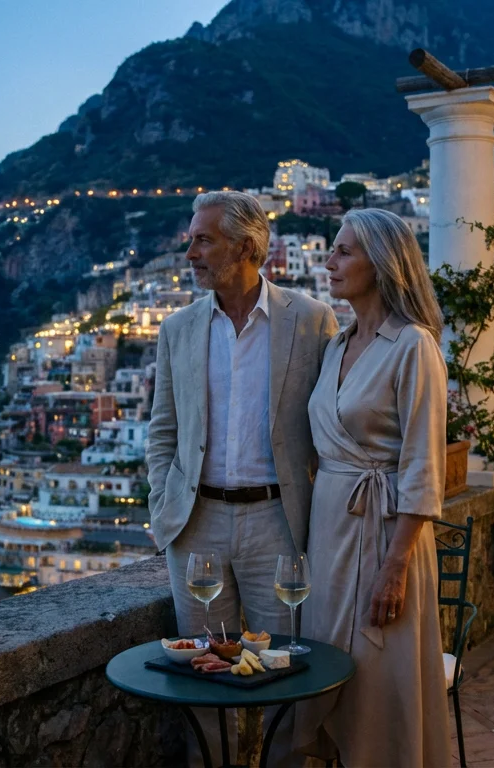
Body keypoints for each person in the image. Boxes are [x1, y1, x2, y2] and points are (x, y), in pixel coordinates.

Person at [147, 190, 338, 765]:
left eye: (204, 239)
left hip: (277, 524)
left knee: (283, 672)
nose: (191, 253)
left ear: (249, 247)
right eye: (192, 239)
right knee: (203, 676)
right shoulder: (177, 329)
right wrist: (165, 504)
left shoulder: (309, 321)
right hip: (196, 524)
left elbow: (329, 426)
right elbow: (163, 431)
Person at [294, 208, 451, 767]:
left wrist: (396, 564)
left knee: (381, 684)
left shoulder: (414, 346)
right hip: (331, 531)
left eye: (344, 252)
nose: (330, 262)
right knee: (332, 669)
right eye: (333, 250)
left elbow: (423, 463)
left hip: (387, 534)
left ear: (381, 264)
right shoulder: (336, 346)